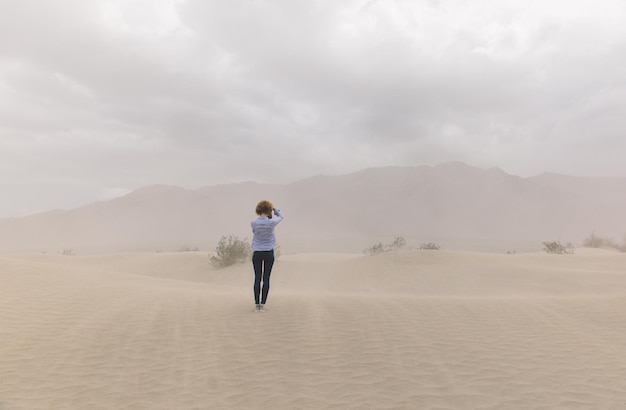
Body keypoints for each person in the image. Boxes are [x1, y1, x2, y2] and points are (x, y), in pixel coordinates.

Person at [251, 200, 283, 312]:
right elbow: (281, 217)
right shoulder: (271, 222)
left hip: (257, 252)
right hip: (268, 252)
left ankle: (256, 305)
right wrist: (275, 210)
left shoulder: (253, 223)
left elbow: (254, 232)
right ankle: (263, 304)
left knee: (257, 278)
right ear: (268, 210)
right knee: (266, 278)